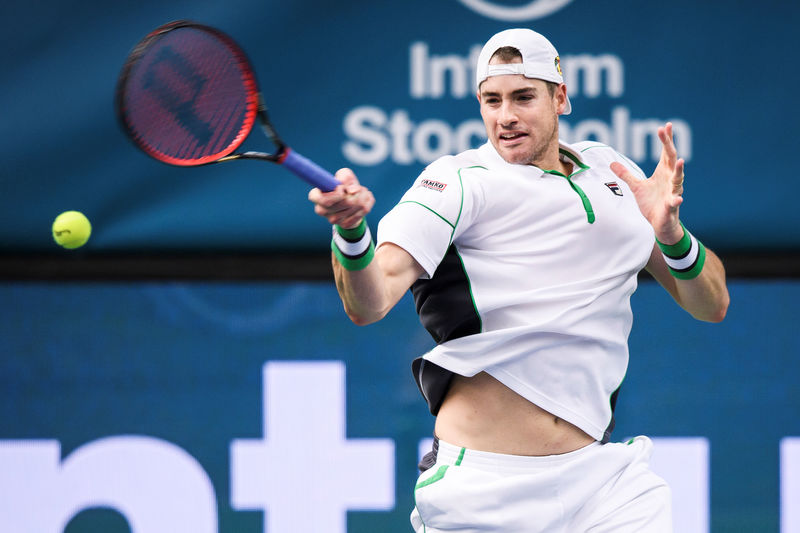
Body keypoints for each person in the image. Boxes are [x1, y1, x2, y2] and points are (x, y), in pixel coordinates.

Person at [309, 28, 729, 533]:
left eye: (523, 97)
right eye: (491, 100)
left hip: (602, 483)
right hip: (484, 490)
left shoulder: (614, 174)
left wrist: (671, 233)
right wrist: (353, 233)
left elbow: (711, 304)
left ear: (560, 97)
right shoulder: (456, 182)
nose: (505, 116)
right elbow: (369, 301)